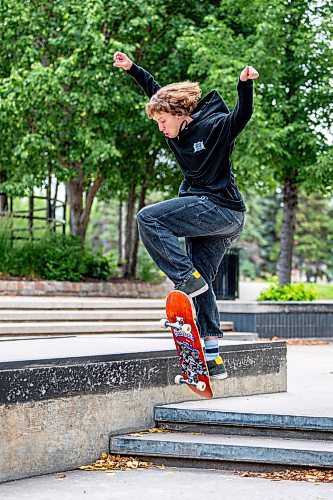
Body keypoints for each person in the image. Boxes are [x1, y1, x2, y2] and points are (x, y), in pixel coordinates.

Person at [113, 51, 259, 379]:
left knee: (147, 218)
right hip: (213, 218)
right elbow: (155, 90)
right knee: (203, 282)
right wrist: (132, 68)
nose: (162, 128)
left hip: (221, 209)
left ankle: (184, 280)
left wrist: (244, 84)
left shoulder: (215, 127)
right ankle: (213, 359)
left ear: (178, 113)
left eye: (163, 121)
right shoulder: (173, 128)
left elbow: (241, 116)